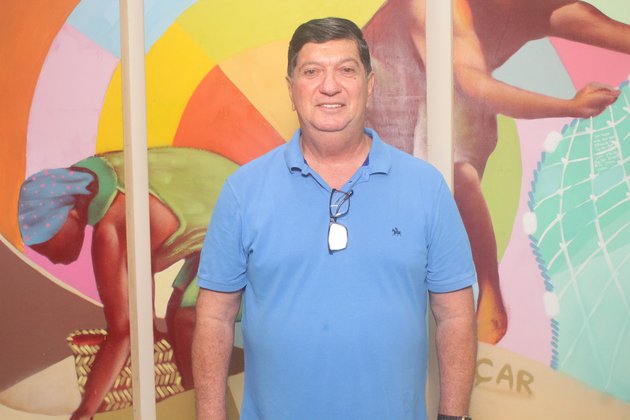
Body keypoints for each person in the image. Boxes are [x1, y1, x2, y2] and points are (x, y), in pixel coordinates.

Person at [193, 17, 477, 420]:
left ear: (370, 85)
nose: (330, 86)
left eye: (346, 70)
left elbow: (456, 315)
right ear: (291, 88)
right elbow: (214, 317)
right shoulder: (243, 191)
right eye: (312, 72)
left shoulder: (425, 188)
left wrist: (454, 417)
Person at [363, 0, 628, 344]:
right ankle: (470, 303)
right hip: (388, 95)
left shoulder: (544, 9)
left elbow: (473, 86)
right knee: (438, 178)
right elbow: (474, 84)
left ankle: (487, 301)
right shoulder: (435, 8)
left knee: (457, 171)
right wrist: (568, 107)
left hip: (452, 98)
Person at [18, 147, 239, 419]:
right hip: (215, 229)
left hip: (239, 231)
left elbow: (124, 333)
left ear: (71, 214)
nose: (51, 258)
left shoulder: (113, 228)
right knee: (177, 314)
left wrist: (85, 411)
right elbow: (140, 288)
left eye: (47, 244)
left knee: (187, 321)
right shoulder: (101, 177)